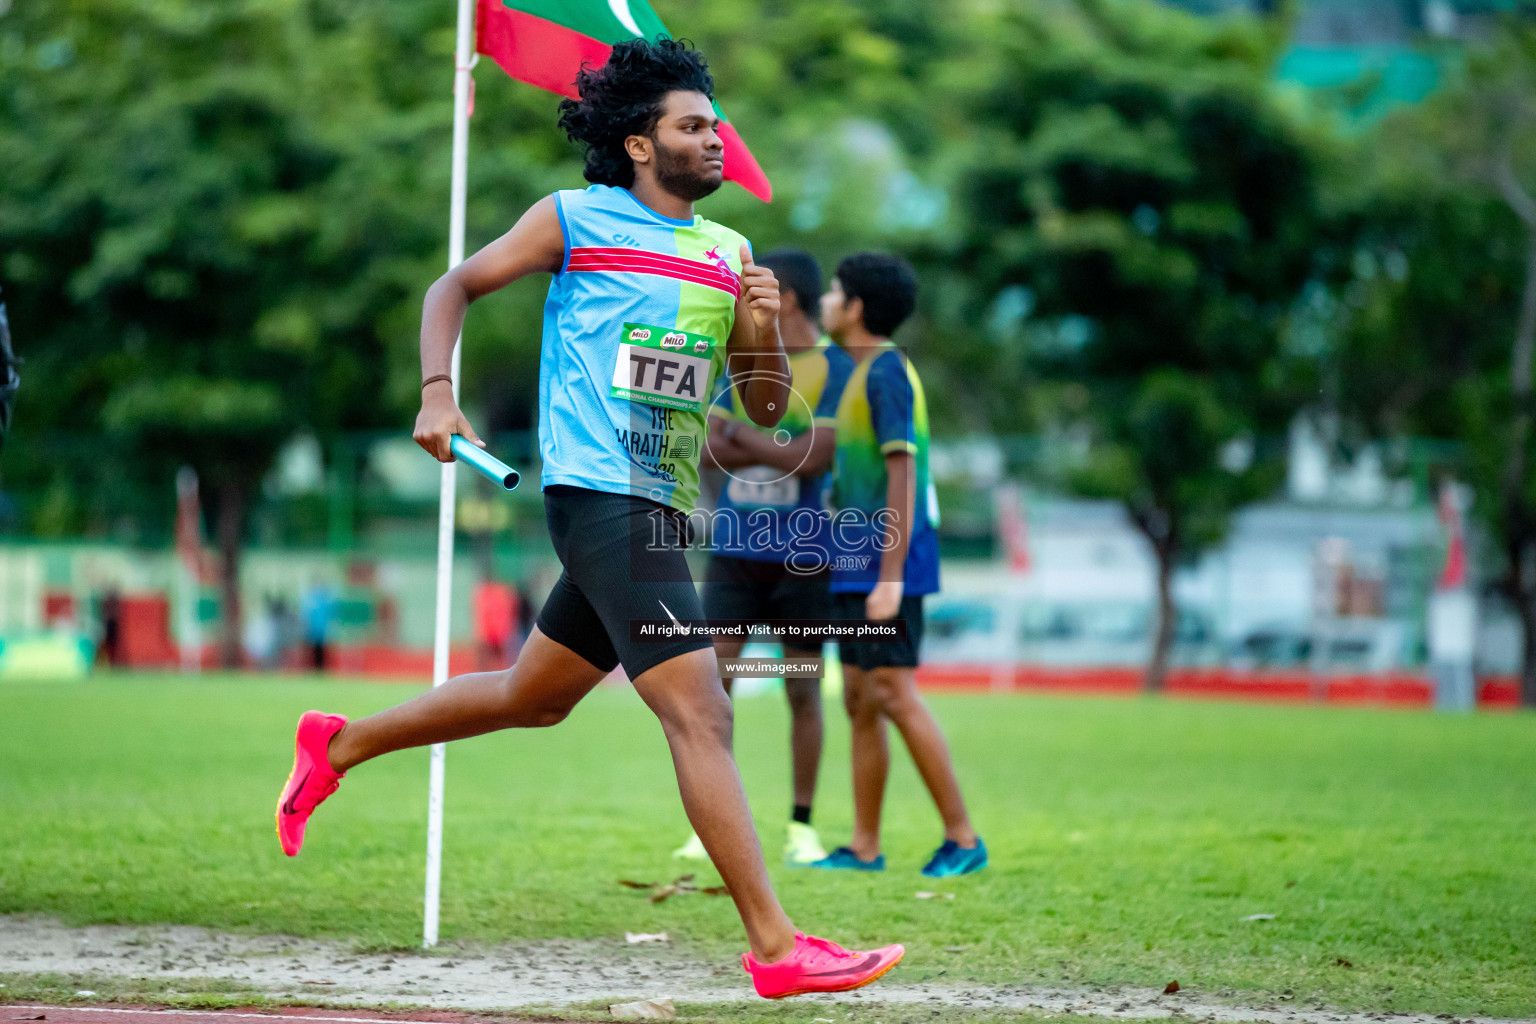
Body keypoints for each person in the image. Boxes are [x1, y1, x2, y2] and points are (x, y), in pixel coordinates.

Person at [273, 39, 904, 1000]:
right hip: (595, 495)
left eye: (715, 124)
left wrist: (765, 327)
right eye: (694, 126)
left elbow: (770, 413)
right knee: (703, 708)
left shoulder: (730, 253)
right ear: (642, 144)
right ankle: (776, 950)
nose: (715, 138)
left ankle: (338, 744)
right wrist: (437, 392)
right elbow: (455, 288)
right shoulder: (573, 219)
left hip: (660, 507)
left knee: (536, 695)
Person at [672, 248, 853, 867]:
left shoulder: (835, 367)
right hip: (736, 551)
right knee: (709, 685)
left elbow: (818, 454)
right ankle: (709, 822)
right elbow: (704, 449)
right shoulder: (741, 364)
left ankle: (802, 827)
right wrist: (775, 446)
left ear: (788, 298)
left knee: (801, 690)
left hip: (805, 554)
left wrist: (746, 440)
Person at [811, 253, 987, 878]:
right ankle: (864, 846)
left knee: (894, 692)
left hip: (891, 563)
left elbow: (903, 473)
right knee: (859, 698)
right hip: (850, 558)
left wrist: (889, 578)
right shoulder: (851, 371)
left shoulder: (886, 372)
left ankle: (963, 838)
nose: (827, 301)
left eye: (834, 292)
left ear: (856, 307)